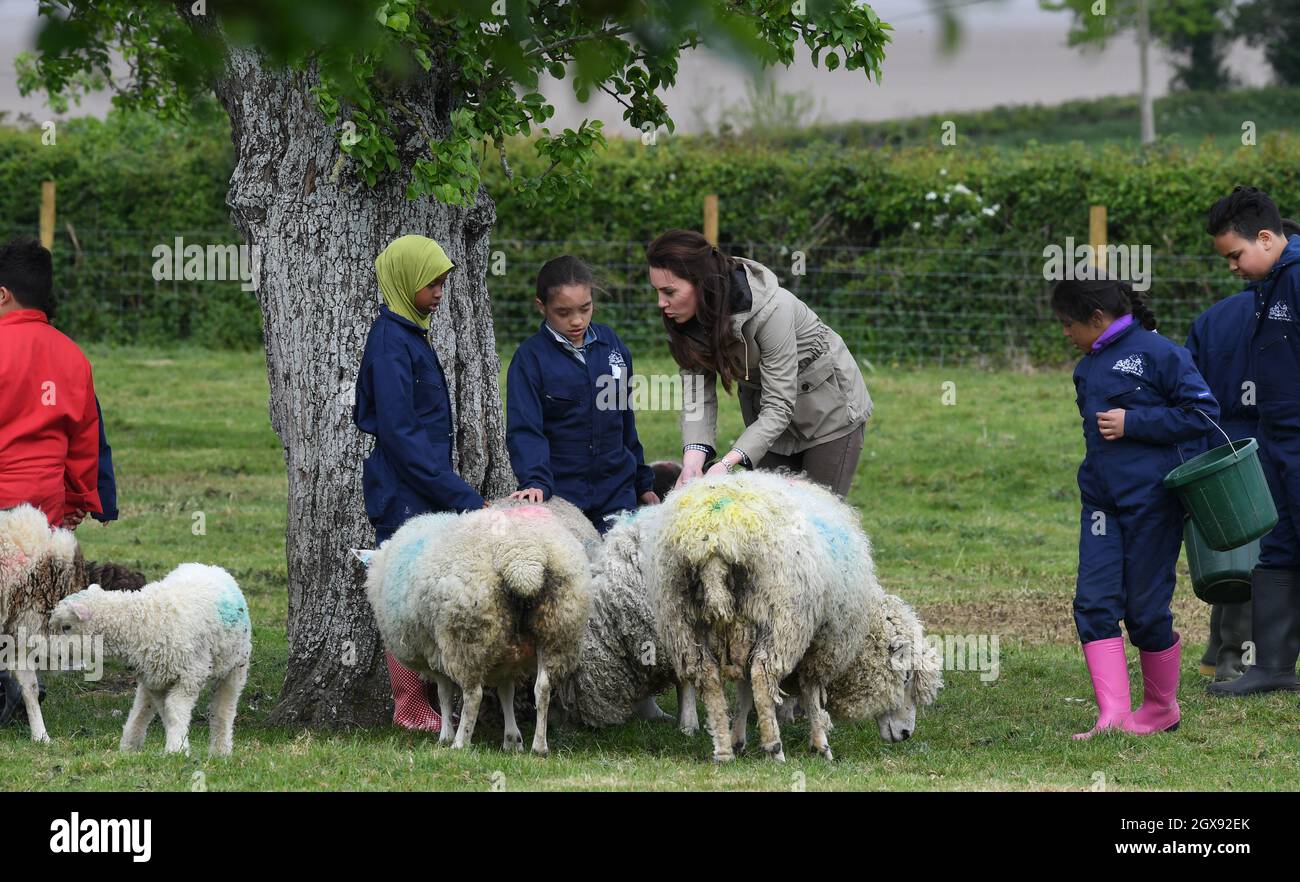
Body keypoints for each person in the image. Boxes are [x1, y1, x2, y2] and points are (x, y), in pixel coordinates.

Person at [1053, 277, 1218, 738]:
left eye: (1069, 324)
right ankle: (1112, 717)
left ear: (1097, 318)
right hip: (1102, 505)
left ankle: (1162, 708)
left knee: (1146, 611)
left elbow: (1203, 415)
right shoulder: (1086, 370)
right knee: (1093, 602)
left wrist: (1134, 421)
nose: (1066, 333)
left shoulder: (1160, 354)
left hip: (1154, 503)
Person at [354, 235, 486, 732]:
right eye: (432, 283)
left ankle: (430, 700)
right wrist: (462, 496)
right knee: (401, 597)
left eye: (443, 282)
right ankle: (408, 705)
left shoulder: (410, 334)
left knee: (421, 592)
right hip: (405, 490)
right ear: (407, 281)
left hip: (422, 487)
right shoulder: (391, 343)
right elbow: (401, 435)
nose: (440, 291)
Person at [647, 229, 871, 498]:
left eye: (669, 291)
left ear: (701, 283)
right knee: (770, 520)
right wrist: (693, 463)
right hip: (767, 419)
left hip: (829, 415)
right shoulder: (684, 321)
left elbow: (779, 403)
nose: (661, 303)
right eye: (657, 292)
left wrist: (727, 464)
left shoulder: (773, 310)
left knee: (816, 522)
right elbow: (697, 399)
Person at [1203, 188, 1300, 697]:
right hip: (1275, 440)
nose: (1234, 268)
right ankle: (1274, 667)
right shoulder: (1269, 284)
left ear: (1266, 237)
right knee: (1279, 545)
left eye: (1236, 255)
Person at [506, 255, 658, 533]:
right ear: (542, 306)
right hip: (563, 497)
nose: (577, 320)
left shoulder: (612, 347)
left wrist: (642, 483)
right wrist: (535, 481)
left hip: (617, 493)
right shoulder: (530, 360)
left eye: (585, 309)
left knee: (622, 568)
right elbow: (525, 430)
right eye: (563, 313)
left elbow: (625, 420)